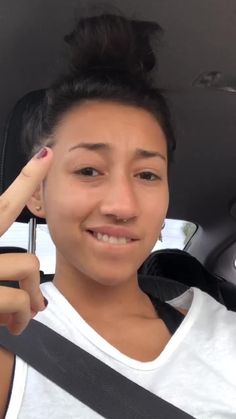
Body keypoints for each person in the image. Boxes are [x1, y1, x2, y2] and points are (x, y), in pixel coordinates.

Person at [0, 13, 236, 419]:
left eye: (147, 175)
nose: (123, 206)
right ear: (37, 194)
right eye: (89, 170)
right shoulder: (9, 338)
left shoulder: (223, 333)